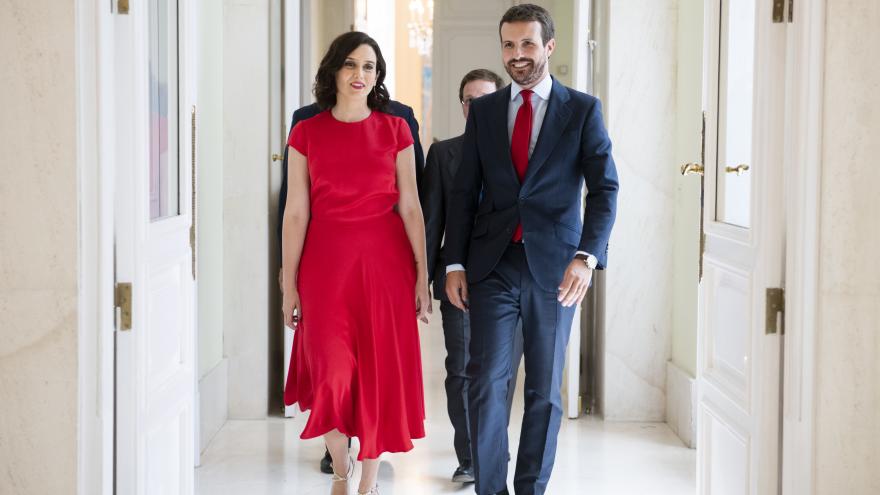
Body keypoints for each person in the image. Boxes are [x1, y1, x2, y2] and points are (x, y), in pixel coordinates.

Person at [444, 5, 619, 495]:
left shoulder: (582, 110)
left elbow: (605, 189)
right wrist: (454, 261)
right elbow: (464, 192)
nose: (516, 56)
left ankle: (530, 489)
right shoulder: (484, 111)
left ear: (548, 47)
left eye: (526, 44)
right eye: (507, 45)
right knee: (485, 383)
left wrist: (587, 257)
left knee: (543, 390)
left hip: (556, 270)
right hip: (492, 265)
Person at [281, 31, 430, 495]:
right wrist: (288, 283)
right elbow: (296, 211)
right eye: (350, 65)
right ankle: (341, 469)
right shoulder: (306, 132)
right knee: (330, 370)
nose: (360, 75)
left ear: (377, 75)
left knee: (377, 371)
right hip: (325, 265)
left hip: (385, 264)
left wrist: (423, 272)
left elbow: (410, 206)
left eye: (369, 67)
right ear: (333, 71)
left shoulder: (396, 129)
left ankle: (366, 481)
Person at [420, 68, 524, 485]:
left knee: (501, 373)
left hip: (510, 277)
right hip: (458, 278)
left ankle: (492, 448)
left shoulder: (522, 153)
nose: (476, 107)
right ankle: (472, 457)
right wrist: (424, 282)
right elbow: (432, 223)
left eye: (485, 99)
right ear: (462, 106)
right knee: (462, 369)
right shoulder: (443, 154)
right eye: (469, 100)